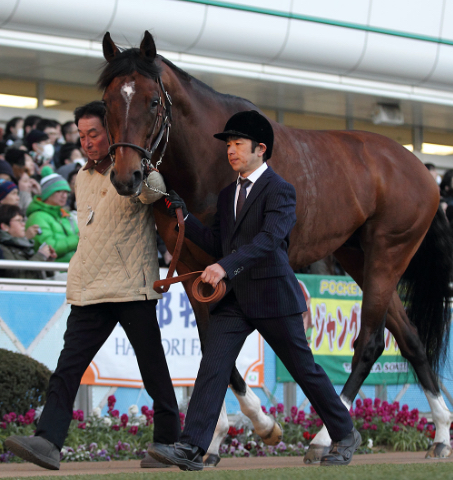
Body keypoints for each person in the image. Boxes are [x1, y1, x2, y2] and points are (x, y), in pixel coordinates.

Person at [149, 110, 359, 470]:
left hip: (273, 295)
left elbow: (268, 241)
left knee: (304, 369)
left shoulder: (282, 191)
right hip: (234, 299)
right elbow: (220, 241)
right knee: (213, 367)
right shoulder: (230, 192)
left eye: (237, 144)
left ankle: (344, 432)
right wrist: (185, 218)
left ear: (260, 149)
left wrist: (224, 266)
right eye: (228, 145)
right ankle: (191, 447)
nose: (230, 151)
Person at [5, 101, 180, 470]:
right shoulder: (80, 177)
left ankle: (168, 441)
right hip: (89, 288)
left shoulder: (133, 170)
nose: (87, 142)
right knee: (67, 369)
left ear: (112, 132)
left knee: (153, 369)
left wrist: (152, 180)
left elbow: (153, 194)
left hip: (132, 287)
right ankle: (48, 441)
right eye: (82, 136)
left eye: (94, 134)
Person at [25, 169, 79, 263]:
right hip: (56, 271)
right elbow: (51, 248)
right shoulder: (37, 217)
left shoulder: (65, 214)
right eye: (59, 191)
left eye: (66, 192)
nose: (64, 196)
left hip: (75, 269)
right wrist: (79, 238)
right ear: (47, 193)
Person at [0, 204, 56, 279]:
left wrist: (48, 261)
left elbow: (45, 276)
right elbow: (19, 278)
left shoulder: (22, 246)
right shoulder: (0, 249)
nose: (23, 224)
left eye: (23, 220)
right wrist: (40, 256)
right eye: (18, 221)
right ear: (5, 226)